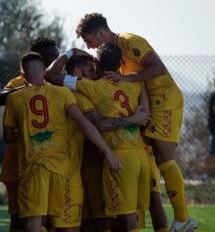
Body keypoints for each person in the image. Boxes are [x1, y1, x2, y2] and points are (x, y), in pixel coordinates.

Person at [74, 12, 197, 232]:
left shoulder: (130, 41)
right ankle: (178, 220)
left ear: (101, 33)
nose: (91, 47)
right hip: (150, 106)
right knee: (155, 159)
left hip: (165, 99)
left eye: (90, 41)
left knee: (164, 156)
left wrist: (127, 79)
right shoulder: (114, 53)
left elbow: (158, 67)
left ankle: (183, 218)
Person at [3, 52, 120, 232]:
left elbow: (9, 137)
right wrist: (107, 151)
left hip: (33, 168)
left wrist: (27, 132)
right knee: (63, 224)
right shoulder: (63, 93)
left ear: (23, 75)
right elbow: (84, 123)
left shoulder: (14, 98)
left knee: (34, 222)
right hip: (62, 170)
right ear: (43, 71)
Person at [46, 43, 150, 232]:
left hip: (116, 156)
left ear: (100, 64)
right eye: (91, 69)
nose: (94, 72)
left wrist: (71, 52)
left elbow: (50, 74)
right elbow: (145, 115)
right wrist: (134, 117)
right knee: (126, 217)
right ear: (120, 63)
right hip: (139, 155)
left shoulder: (92, 87)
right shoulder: (134, 83)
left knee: (118, 218)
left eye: (95, 68)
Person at [0, 38, 60, 232]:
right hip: (18, 160)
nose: (53, 61)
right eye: (49, 57)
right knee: (19, 218)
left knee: (51, 219)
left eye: (56, 57)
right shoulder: (19, 81)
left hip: (49, 163)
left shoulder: (56, 84)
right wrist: (30, 86)